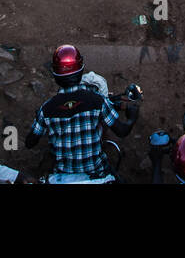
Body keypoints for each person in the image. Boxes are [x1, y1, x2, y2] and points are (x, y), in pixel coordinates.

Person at [26, 45, 139, 180]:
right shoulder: (97, 101)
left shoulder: (46, 109)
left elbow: (30, 142)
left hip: (62, 177)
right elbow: (122, 131)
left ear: (56, 75)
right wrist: (132, 117)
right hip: (97, 175)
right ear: (80, 71)